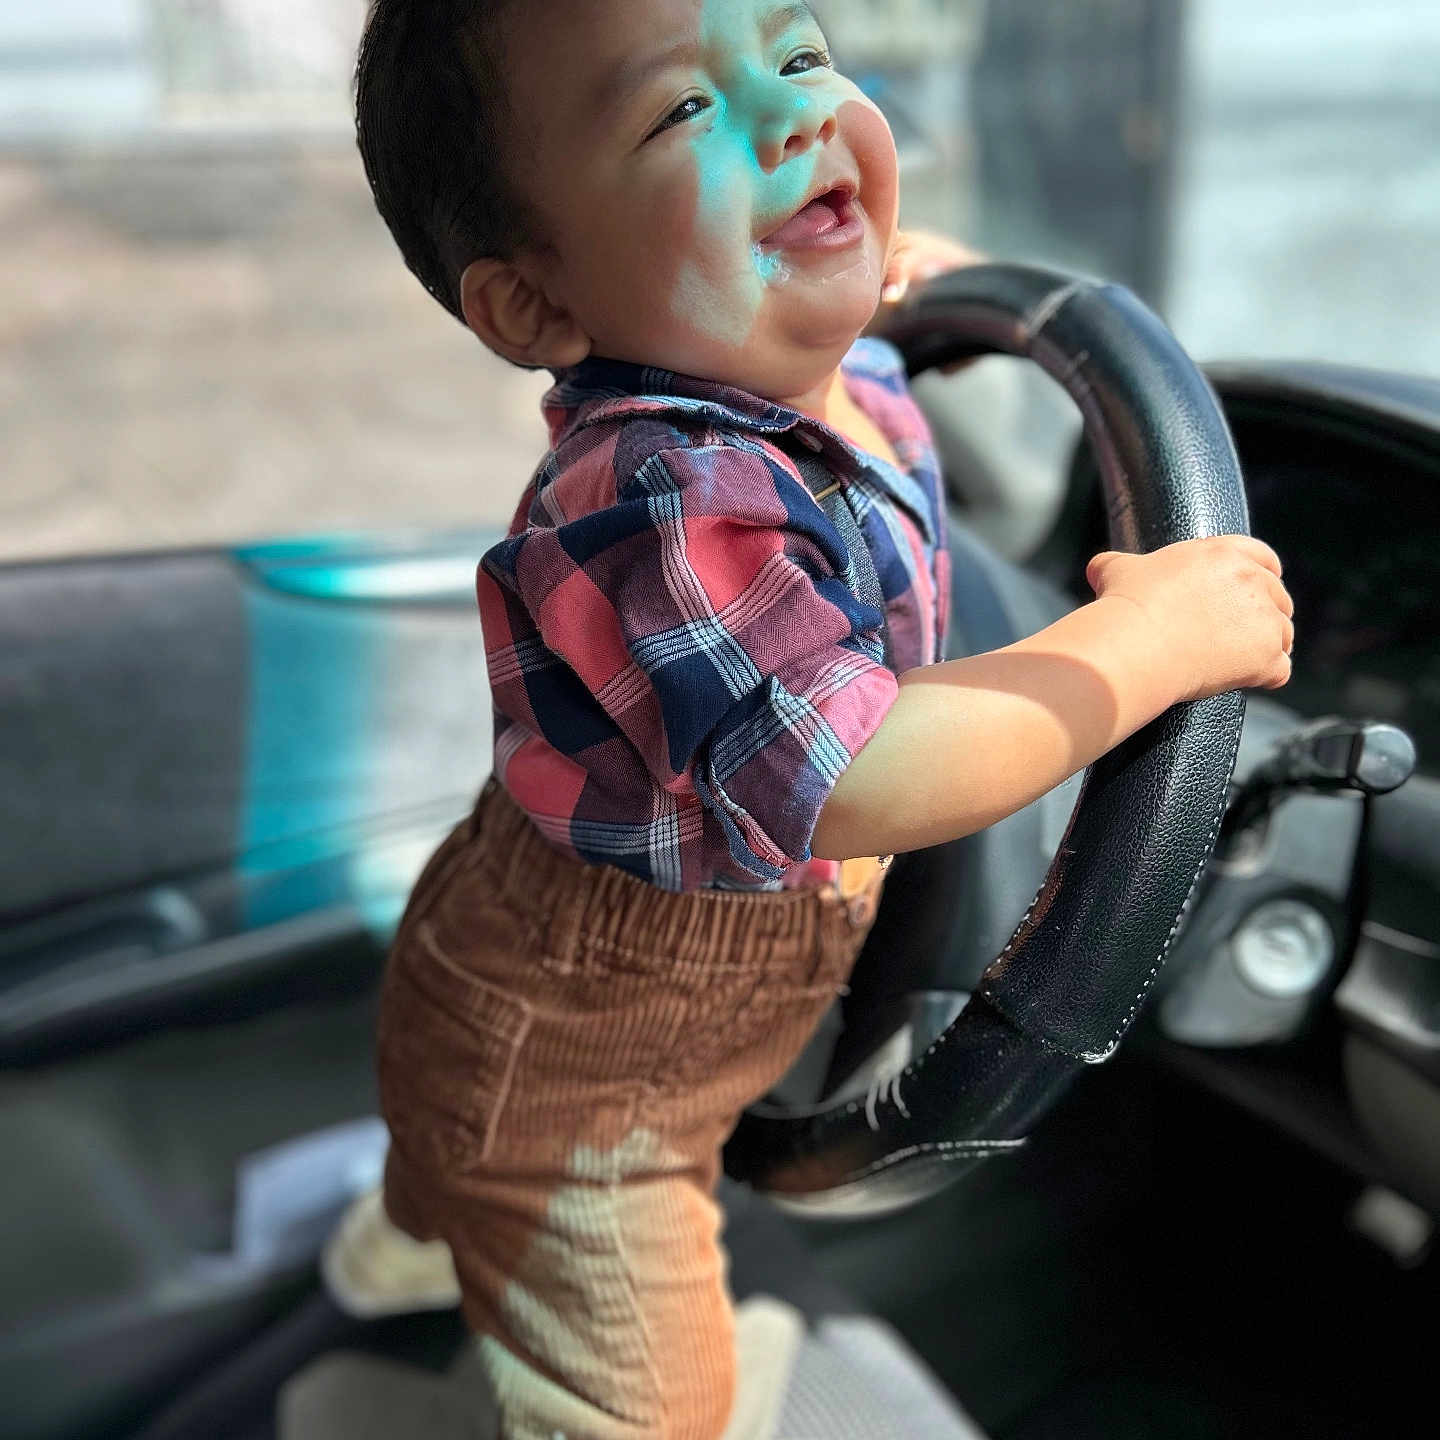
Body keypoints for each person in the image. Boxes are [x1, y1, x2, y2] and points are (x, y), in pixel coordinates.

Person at [346, 2, 1295, 1435]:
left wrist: (882, 268)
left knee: (450, 1132)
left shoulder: (795, 373)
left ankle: (412, 1248)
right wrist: (1139, 645)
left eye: (795, 59)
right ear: (537, 308)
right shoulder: (665, 496)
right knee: (636, 1385)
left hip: (548, 966)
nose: (792, 117)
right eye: (681, 114)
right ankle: (463, 1241)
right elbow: (858, 765)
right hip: (589, 1073)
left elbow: (833, 337)